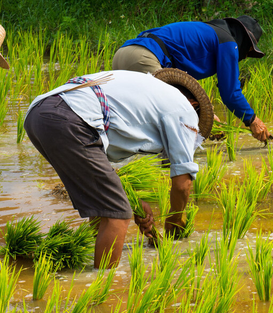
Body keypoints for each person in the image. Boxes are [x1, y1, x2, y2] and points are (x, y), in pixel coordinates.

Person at [24, 69, 213, 269]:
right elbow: (183, 185)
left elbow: (106, 173)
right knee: (117, 214)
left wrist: (135, 202)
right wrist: (174, 229)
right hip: (72, 119)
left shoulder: (145, 93)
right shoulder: (184, 109)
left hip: (39, 114)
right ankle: (103, 288)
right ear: (194, 105)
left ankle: (89, 268)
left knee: (103, 207)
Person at [112, 16, 271, 143]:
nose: (244, 56)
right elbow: (230, 93)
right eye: (248, 51)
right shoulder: (229, 42)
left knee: (132, 119)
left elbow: (179, 84)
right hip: (145, 58)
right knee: (174, 117)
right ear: (244, 41)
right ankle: (172, 171)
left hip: (123, 54)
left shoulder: (206, 32)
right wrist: (253, 120)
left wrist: (205, 116)